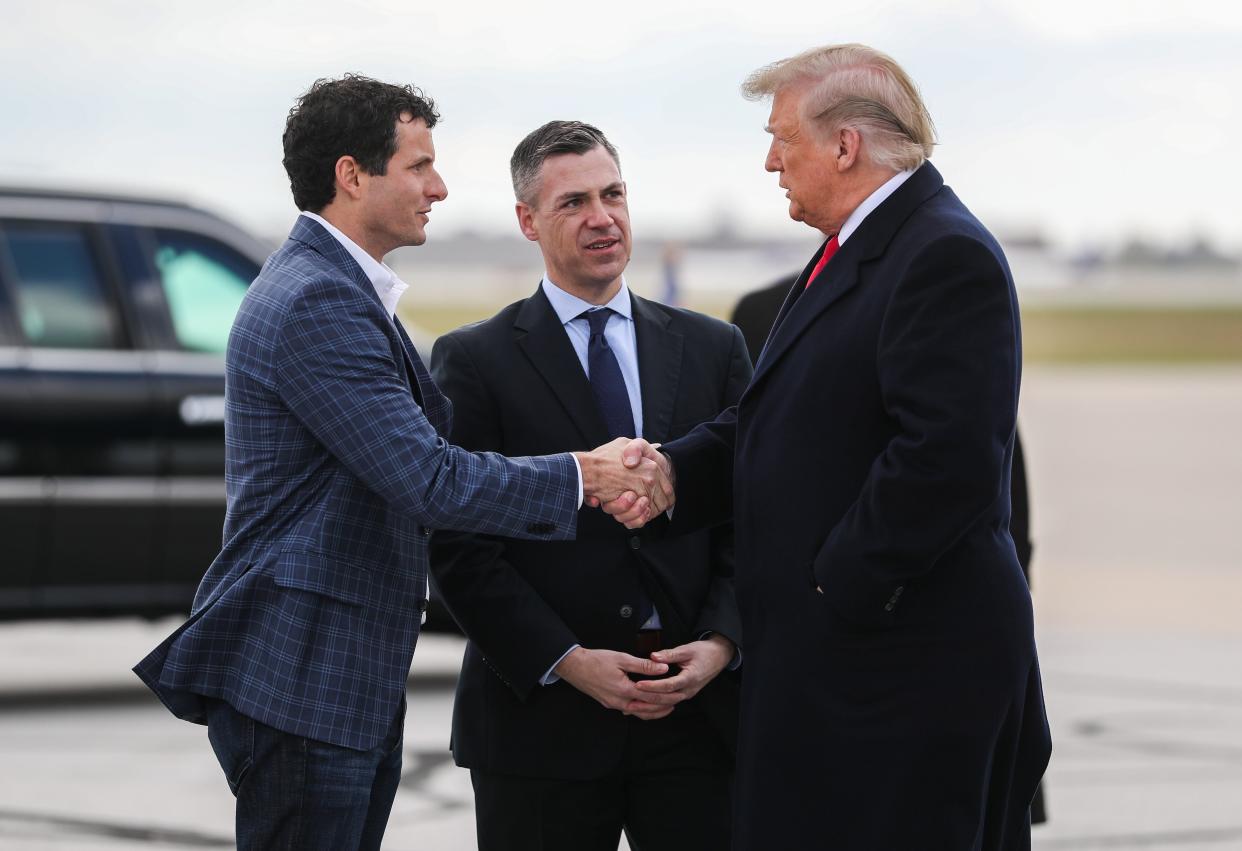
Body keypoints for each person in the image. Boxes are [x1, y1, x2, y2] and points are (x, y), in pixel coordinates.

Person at [132, 76, 669, 851]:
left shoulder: (339, 288)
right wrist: (587, 474)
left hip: (335, 678)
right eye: (419, 166)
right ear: (352, 175)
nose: (439, 187)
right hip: (306, 675)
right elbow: (428, 478)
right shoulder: (319, 300)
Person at [607, 44, 1052, 849]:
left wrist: (825, 587)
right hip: (844, 667)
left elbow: (942, 462)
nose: (770, 160)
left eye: (783, 137)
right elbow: (777, 419)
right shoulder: (858, 247)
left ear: (845, 146)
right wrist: (673, 470)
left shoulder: (942, 254)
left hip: (896, 670)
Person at [428, 120, 751, 851]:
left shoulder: (713, 347)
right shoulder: (475, 360)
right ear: (528, 221)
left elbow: (751, 513)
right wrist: (568, 661)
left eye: (614, 194)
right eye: (573, 202)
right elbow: (457, 544)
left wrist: (725, 642)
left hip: (697, 722)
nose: (602, 217)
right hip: (540, 727)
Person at [730, 274, 1051, 828]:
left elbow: (961, 462)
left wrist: (834, 584)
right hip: (814, 666)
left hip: (906, 655)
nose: (773, 178)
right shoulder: (780, 304)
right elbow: (754, 446)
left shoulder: (939, 270)